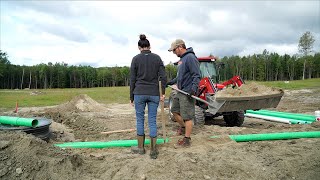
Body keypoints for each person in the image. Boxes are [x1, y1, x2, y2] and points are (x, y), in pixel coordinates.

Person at [130, 34, 167, 159]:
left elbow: (132, 79)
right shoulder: (157, 58)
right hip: (154, 93)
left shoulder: (135, 59)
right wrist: (162, 93)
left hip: (139, 93)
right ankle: (153, 150)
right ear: (149, 46)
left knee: (140, 119)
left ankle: (140, 148)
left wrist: (131, 96)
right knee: (152, 120)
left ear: (139, 47)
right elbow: (163, 77)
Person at [167, 39, 201, 147]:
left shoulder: (190, 58)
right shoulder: (182, 60)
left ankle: (187, 139)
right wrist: (169, 82)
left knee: (187, 116)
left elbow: (196, 75)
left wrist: (193, 89)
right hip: (180, 91)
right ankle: (183, 127)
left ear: (180, 47)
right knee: (174, 111)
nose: (174, 53)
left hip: (187, 92)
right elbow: (179, 78)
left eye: (174, 50)